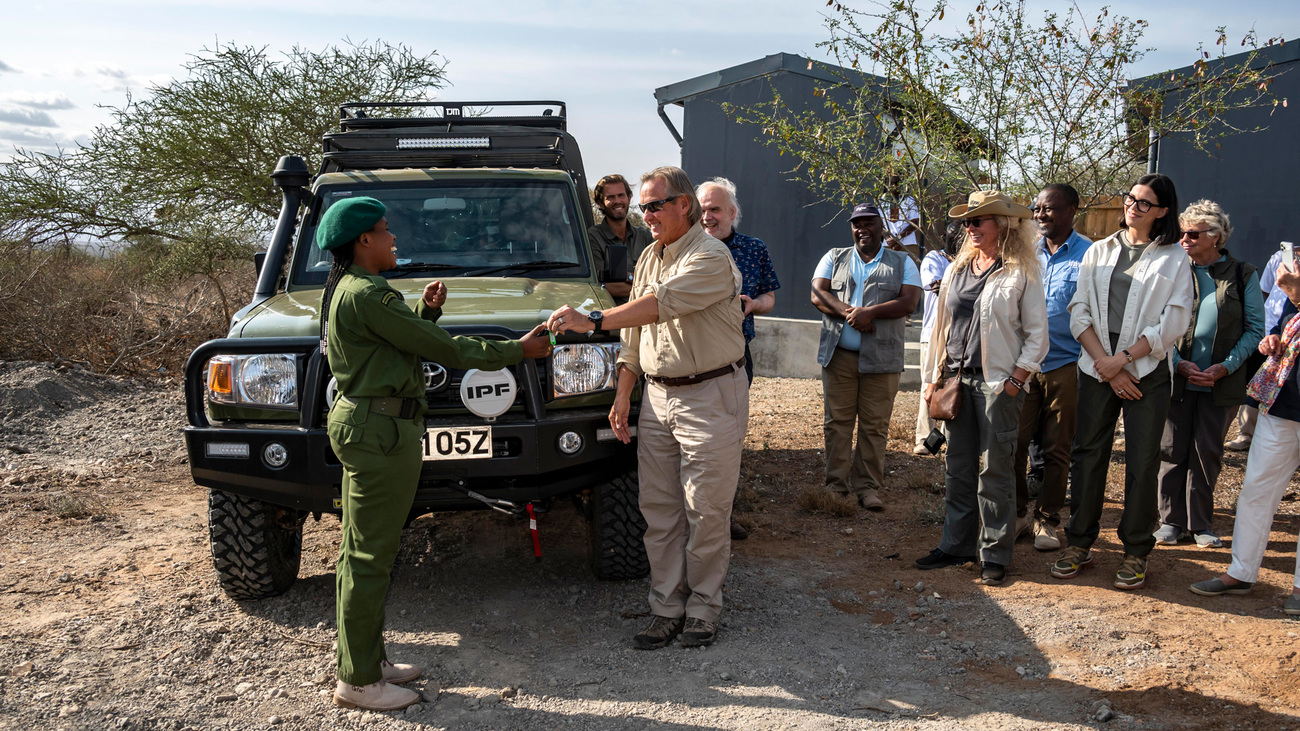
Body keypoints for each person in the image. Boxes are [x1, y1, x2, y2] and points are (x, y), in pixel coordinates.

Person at [318, 197, 551, 711]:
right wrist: (517, 350)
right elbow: (441, 349)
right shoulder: (368, 295)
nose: (393, 237)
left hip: (372, 425)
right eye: (384, 230)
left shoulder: (351, 290)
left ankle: (367, 660)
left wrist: (425, 310)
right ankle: (357, 681)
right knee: (368, 556)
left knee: (361, 551)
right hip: (379, 431)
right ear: (363, 242)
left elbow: (396, 345)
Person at [548, 166, 748, 650]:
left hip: (710, 395)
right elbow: (636, 336)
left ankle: (703, 608)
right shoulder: (648, 257)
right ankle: (666, 607)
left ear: (685, 205)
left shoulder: (711, 256)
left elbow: (661, 305)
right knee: (658, 510)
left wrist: (592, 319)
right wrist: (622, 393)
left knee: (706, 510)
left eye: (655, 204)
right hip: (657, 397)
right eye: (643, 206)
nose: (646, 213)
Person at [1051, 173, 1194, 591]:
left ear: (1163, 211)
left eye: (1145, 203)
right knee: (1087, 454)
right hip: (1097, 369)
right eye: (1131, 199)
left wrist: (1125, 361)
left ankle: (1135, 551)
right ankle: (1079, 543)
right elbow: (1079, 311)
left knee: (1142, 461)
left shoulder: (1173, 258)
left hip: (1146, 373)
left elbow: (1176, 319)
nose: (1133, 206)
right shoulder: (1099, 250)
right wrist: (1105, 364)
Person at [915, 191, 1047, 586]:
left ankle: (994, 554)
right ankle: (956, 545)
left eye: (978, 221)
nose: (969, 228)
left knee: (995, 472)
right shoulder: (958, 269)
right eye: (966, 222)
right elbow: (943, 328)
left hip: (997, 384)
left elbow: (1038, 334)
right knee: (957, 467)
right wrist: (933, 378)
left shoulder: (1021, 270)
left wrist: (1016, 380)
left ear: (1003, 224)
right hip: (956, 380)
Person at [1187, 259, 1300, 617]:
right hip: (1282, 404)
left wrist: (1298, 294)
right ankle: (1241, 572)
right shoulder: (1293, 268)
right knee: (1255, 490)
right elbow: (1282, 325)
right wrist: (1274, 341)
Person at [1156, 201, 1264, 548]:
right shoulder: (1175, 271)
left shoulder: (1243, 273)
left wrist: (1226, 367)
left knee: (1207, 452)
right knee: (1172, 449)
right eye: (1182, 232)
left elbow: (1254, 330)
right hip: (1177, 378)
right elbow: (1157, 322)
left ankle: (1200, 524)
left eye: (1192, 233)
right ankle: (1169, 522)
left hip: (1220, 382)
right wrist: (1177, 362)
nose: (1183, 239)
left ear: (1215, 237)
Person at [811, 202, 922, 510]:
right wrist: (853, 315)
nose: (862, 228)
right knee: (837, 422)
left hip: (882, 360)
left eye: (868, 222)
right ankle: (836, 485)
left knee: (874, 425)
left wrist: (870, 313)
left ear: (880, 225)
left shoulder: (902, 262)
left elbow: (909, 302)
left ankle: (867, 487)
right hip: (839, 356)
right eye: (856, 223)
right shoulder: (834, 258)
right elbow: (818, 294)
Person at [697, 177, 780, 541]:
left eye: (714, 209)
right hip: (690, 357)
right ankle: (691, 516)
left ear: (732, 212)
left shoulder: (753, 248)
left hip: (734, 356)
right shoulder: (685, 248)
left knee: (727, 440)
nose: (707, 216)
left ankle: (722, 516)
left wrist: (753, 306)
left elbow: (769, 297)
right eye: (701, 209)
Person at [1013, 184, 1092, 551]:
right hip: (1024, 365)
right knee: (1012, 442)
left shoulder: (1091, 256)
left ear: (1072, 210)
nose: (1041, 214)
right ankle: (1016, 515)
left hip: (1066, 365)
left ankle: (1047, 521)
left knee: (1058, 449)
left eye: (1049, 208)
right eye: (1037, 208)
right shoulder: (1025, 254)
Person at [1225, 247, 1287, 451]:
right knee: (1254, 383)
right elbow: (1266, 291)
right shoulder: (1279, 258)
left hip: (1292, 339)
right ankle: (1247, 434)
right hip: (1268, 334)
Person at [913, 221, 961, 455]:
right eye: (955, 231)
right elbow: (935, 286)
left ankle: (945, 441)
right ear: (945, 234)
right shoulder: (934, 259)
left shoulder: (970, 262)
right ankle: (924, 440)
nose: (959, 236)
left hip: (960, 333)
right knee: (929, 384)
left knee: (952, 387)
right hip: (933, 331)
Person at [588, 173, 654, 302]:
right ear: (600, 203)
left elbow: (661, 278)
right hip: (611, 315)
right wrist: (646, 288)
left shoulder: (645, 236)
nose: (617, 201)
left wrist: (630, 278)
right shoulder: (593, 237)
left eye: (621, 195)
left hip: (646, 314)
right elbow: (598, 286)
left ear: (629, 198)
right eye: (610, 197)